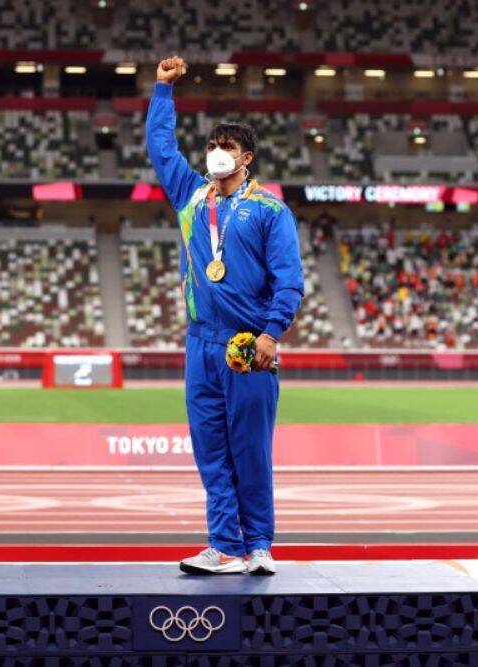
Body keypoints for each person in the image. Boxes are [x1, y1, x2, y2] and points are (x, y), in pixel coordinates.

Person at [146, 55, 304, 576]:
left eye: (227, 149)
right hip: (202, 344)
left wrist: (271, 332)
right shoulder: (191, 198)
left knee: (250, 451)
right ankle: (224, 545)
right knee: (211, 452)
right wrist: (163, 91)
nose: (216, 155)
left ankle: (259, 544)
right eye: (213, 147)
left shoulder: (270, 211)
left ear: (247, 158)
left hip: (248, 344)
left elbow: (289, 280)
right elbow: (160, 148)